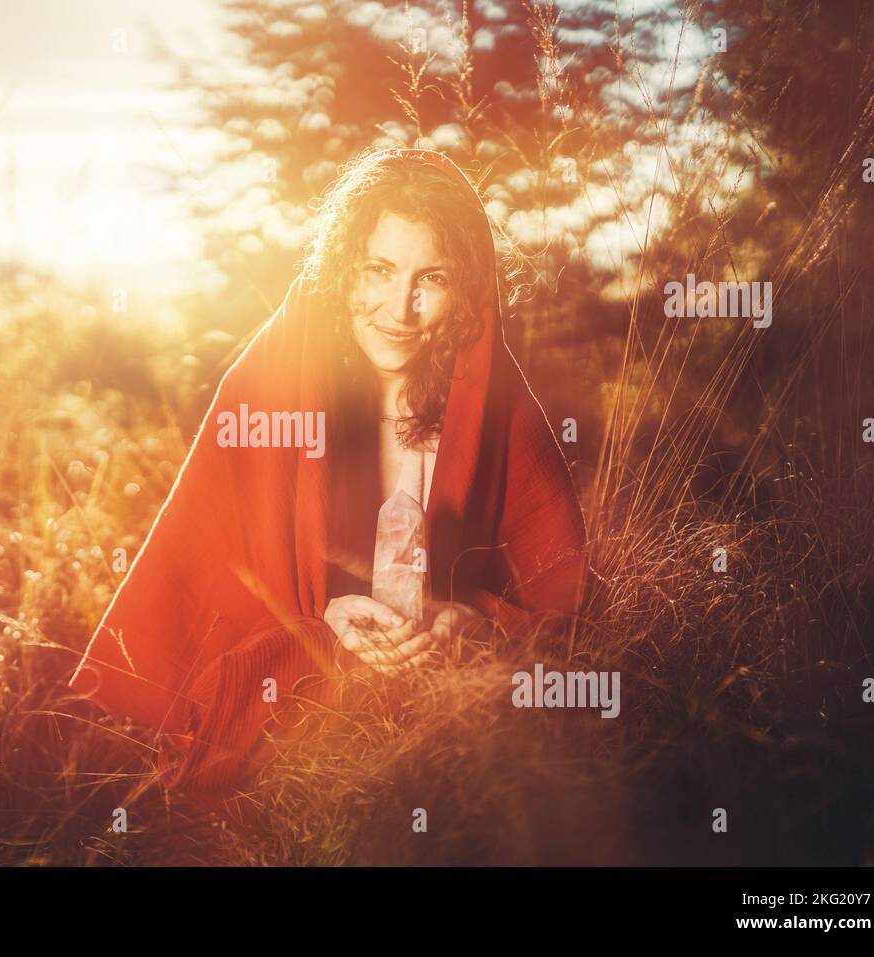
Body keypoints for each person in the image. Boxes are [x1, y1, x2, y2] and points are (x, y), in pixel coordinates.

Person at [68, 145, 587, 804]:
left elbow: (569, 614)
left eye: (432, 277)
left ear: (466, 288)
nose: (400, 308)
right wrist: (316, 636)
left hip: (452, 755)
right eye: (378, 269)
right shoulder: (266, 395)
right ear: (342, 271)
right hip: (290, 760)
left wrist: (480, 627)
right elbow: (197, 646)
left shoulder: (496, 404)